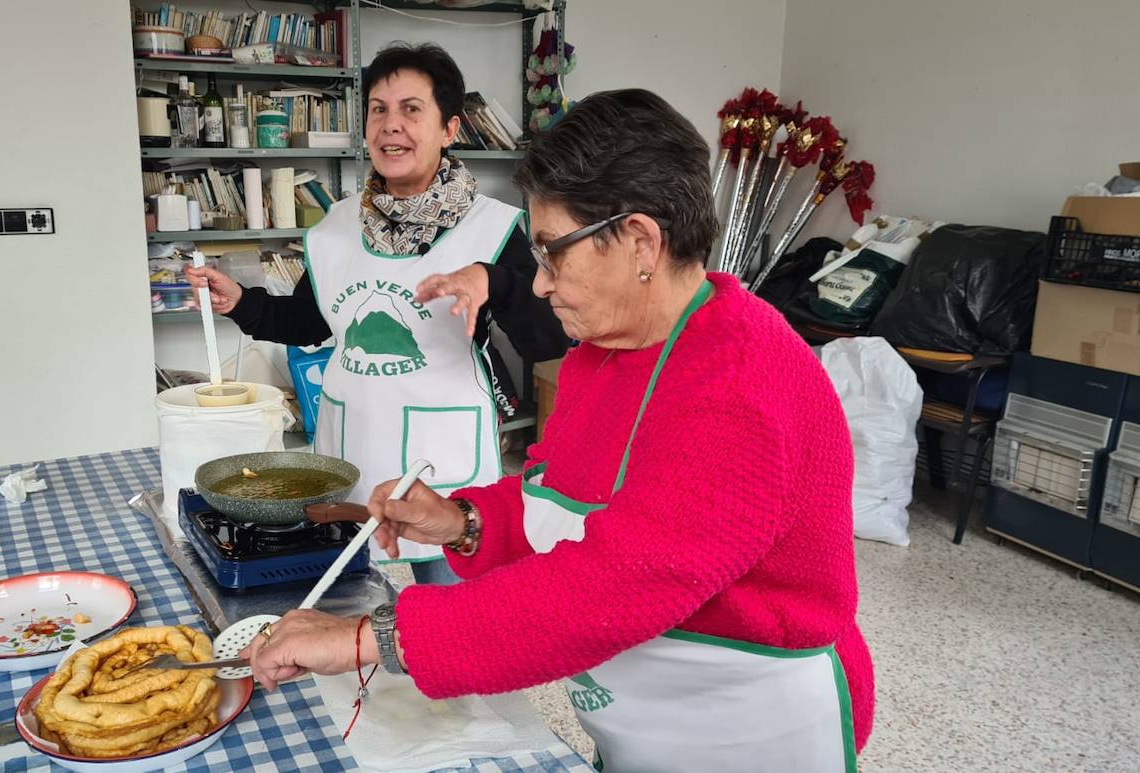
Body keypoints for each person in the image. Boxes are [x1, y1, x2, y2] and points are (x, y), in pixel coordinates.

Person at [240, 89, 875, 771]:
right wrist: (463, 521)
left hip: (745, 729)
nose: (538, 286)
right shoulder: (603, 351)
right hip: (640, 713)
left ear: (639, 241)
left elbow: (610, 587)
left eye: (551, 255)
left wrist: (367, 638)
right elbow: (555, 494)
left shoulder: (743, 385)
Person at [186, 43, 568, 585]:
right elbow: (309, 325)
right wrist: (241, 302)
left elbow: (548, 341)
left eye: (412, 110)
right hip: (352, 446)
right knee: (347, 602)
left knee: (451, 619)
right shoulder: (335, 228)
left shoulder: (494, 228)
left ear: (449, 128)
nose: (391, 125)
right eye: (378, 109)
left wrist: (496, 282)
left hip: (442, 459)